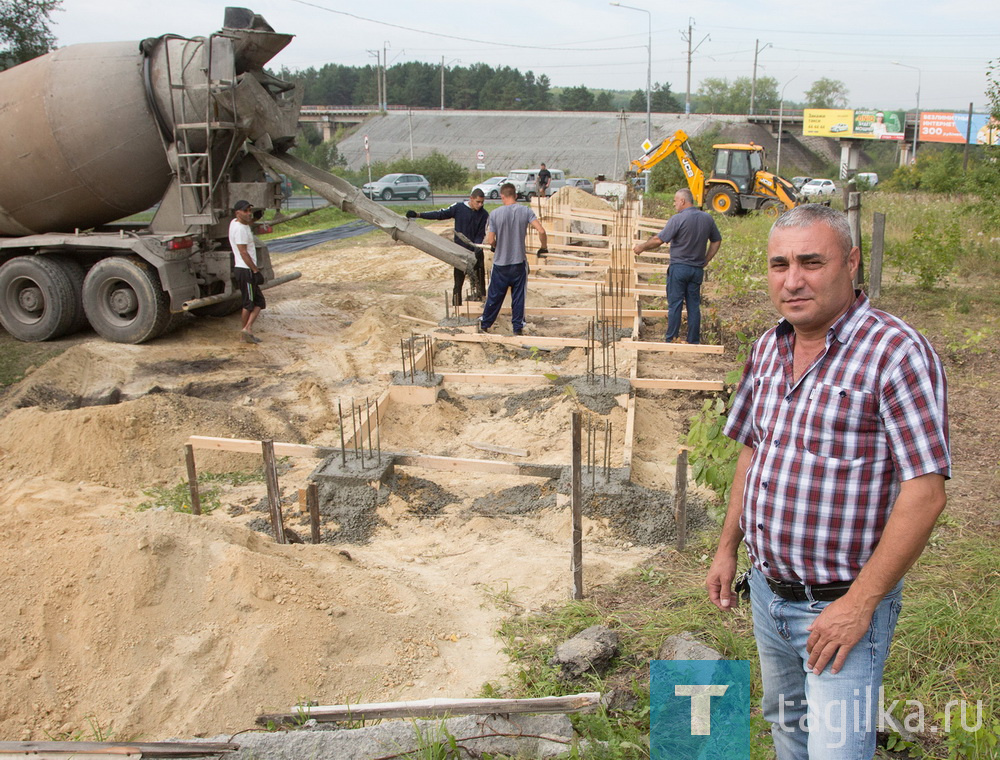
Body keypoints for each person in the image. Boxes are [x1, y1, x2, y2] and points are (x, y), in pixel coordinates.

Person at [706, 204, 950, 760]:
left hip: (841, 607)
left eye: (812, 262)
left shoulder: (894, 353)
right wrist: (727, 548)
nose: (793, 280)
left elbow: (926, 491)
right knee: (789, 730)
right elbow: (753, 449)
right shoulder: (770, 347)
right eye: (779, 264)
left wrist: (859, 605)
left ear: (852, 262)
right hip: (769, 594)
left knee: (838, 749)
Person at [632, 188, 722, 344]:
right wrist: (706, 259)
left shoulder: (678, 219)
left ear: (682, 201)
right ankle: (693, 340)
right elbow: (717, 240)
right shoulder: (707, 218)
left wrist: (641, 247)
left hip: (679, 268)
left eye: (675, 201)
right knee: (693, 305)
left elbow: (658, 240)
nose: (674, 204)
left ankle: (672, 338)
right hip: (696, 270)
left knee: (675, 304)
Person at [478, 182, 547, 336]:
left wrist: (496, 245)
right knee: (518, 297)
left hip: (500, 264)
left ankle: (485, 324)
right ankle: (517, 328)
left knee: (494, 296)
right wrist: (543, 247)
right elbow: (541, 230)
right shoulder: (525, 211)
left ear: (502, 196)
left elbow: (490, 240)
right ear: (515, 195)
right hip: (518, 263)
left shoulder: (495, 214)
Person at [406, 189, 489, 306]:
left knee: (480, 283)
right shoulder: (458, 208)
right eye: (478, 202)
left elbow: (481, 234)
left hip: (476, 253)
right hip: (459, 253)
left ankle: (482, 307)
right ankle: (456, 308)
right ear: (471, 198)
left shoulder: (484, 214)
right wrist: (418, 215)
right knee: (458, 284)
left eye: (482, 202)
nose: (480, 205)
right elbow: (440, 214)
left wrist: (476, 247)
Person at [229, 199, 266, 344]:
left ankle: (246, 331)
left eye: (250, 210)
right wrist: (255, 271)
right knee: (249, 303)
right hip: (246, 270)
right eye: (246, 211)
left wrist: (254, 218)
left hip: (244, 269)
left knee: (259, 302)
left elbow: (246, 223)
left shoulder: (235, 223)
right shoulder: (240, 230)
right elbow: (243, 253)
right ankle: (245, 330)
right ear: (238, 213)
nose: (248, 213)